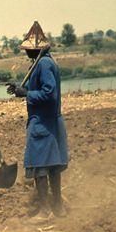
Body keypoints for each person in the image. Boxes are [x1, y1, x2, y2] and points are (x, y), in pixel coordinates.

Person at [7, 21, 69, 218]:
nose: (26, 53)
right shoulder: (45, 63)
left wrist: (26, 93)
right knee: (52, 165)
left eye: (28, 50)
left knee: (40, 167)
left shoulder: (43, 64)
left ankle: (45, 210)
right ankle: (58, 208)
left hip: (43, 122)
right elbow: (40, 88)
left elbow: (49, 93)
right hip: (49, 122)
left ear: (36, 50)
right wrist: (21, 88)